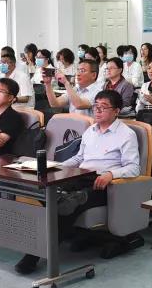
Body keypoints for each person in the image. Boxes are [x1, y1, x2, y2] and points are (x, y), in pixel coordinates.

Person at [15, 89, 142, 274]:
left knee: (67, 204)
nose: (97, 110)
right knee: (45, 191)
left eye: (103, 107)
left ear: (116, 111)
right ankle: (67, 203)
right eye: (96, 106)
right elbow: (79, 158)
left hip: (105, 185)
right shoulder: (91, 130)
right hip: (80, 177)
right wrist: (57, 167)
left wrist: (110, 174)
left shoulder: (126, 134)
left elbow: (134, 168)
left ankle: (32, 257)